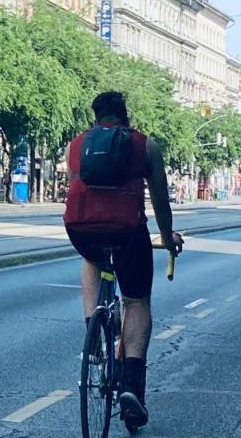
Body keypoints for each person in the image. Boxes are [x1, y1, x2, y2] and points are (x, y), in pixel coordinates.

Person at [64, 91, 184, 432]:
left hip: (80, 228)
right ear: (125, 115)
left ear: (96, 116)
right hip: (128, 230)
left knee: (92, 259)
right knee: (137, 300)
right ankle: (131, 388)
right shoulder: (145, 146)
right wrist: (167, 236)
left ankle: (93, 331)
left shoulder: (76, 144)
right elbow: (160, 200)